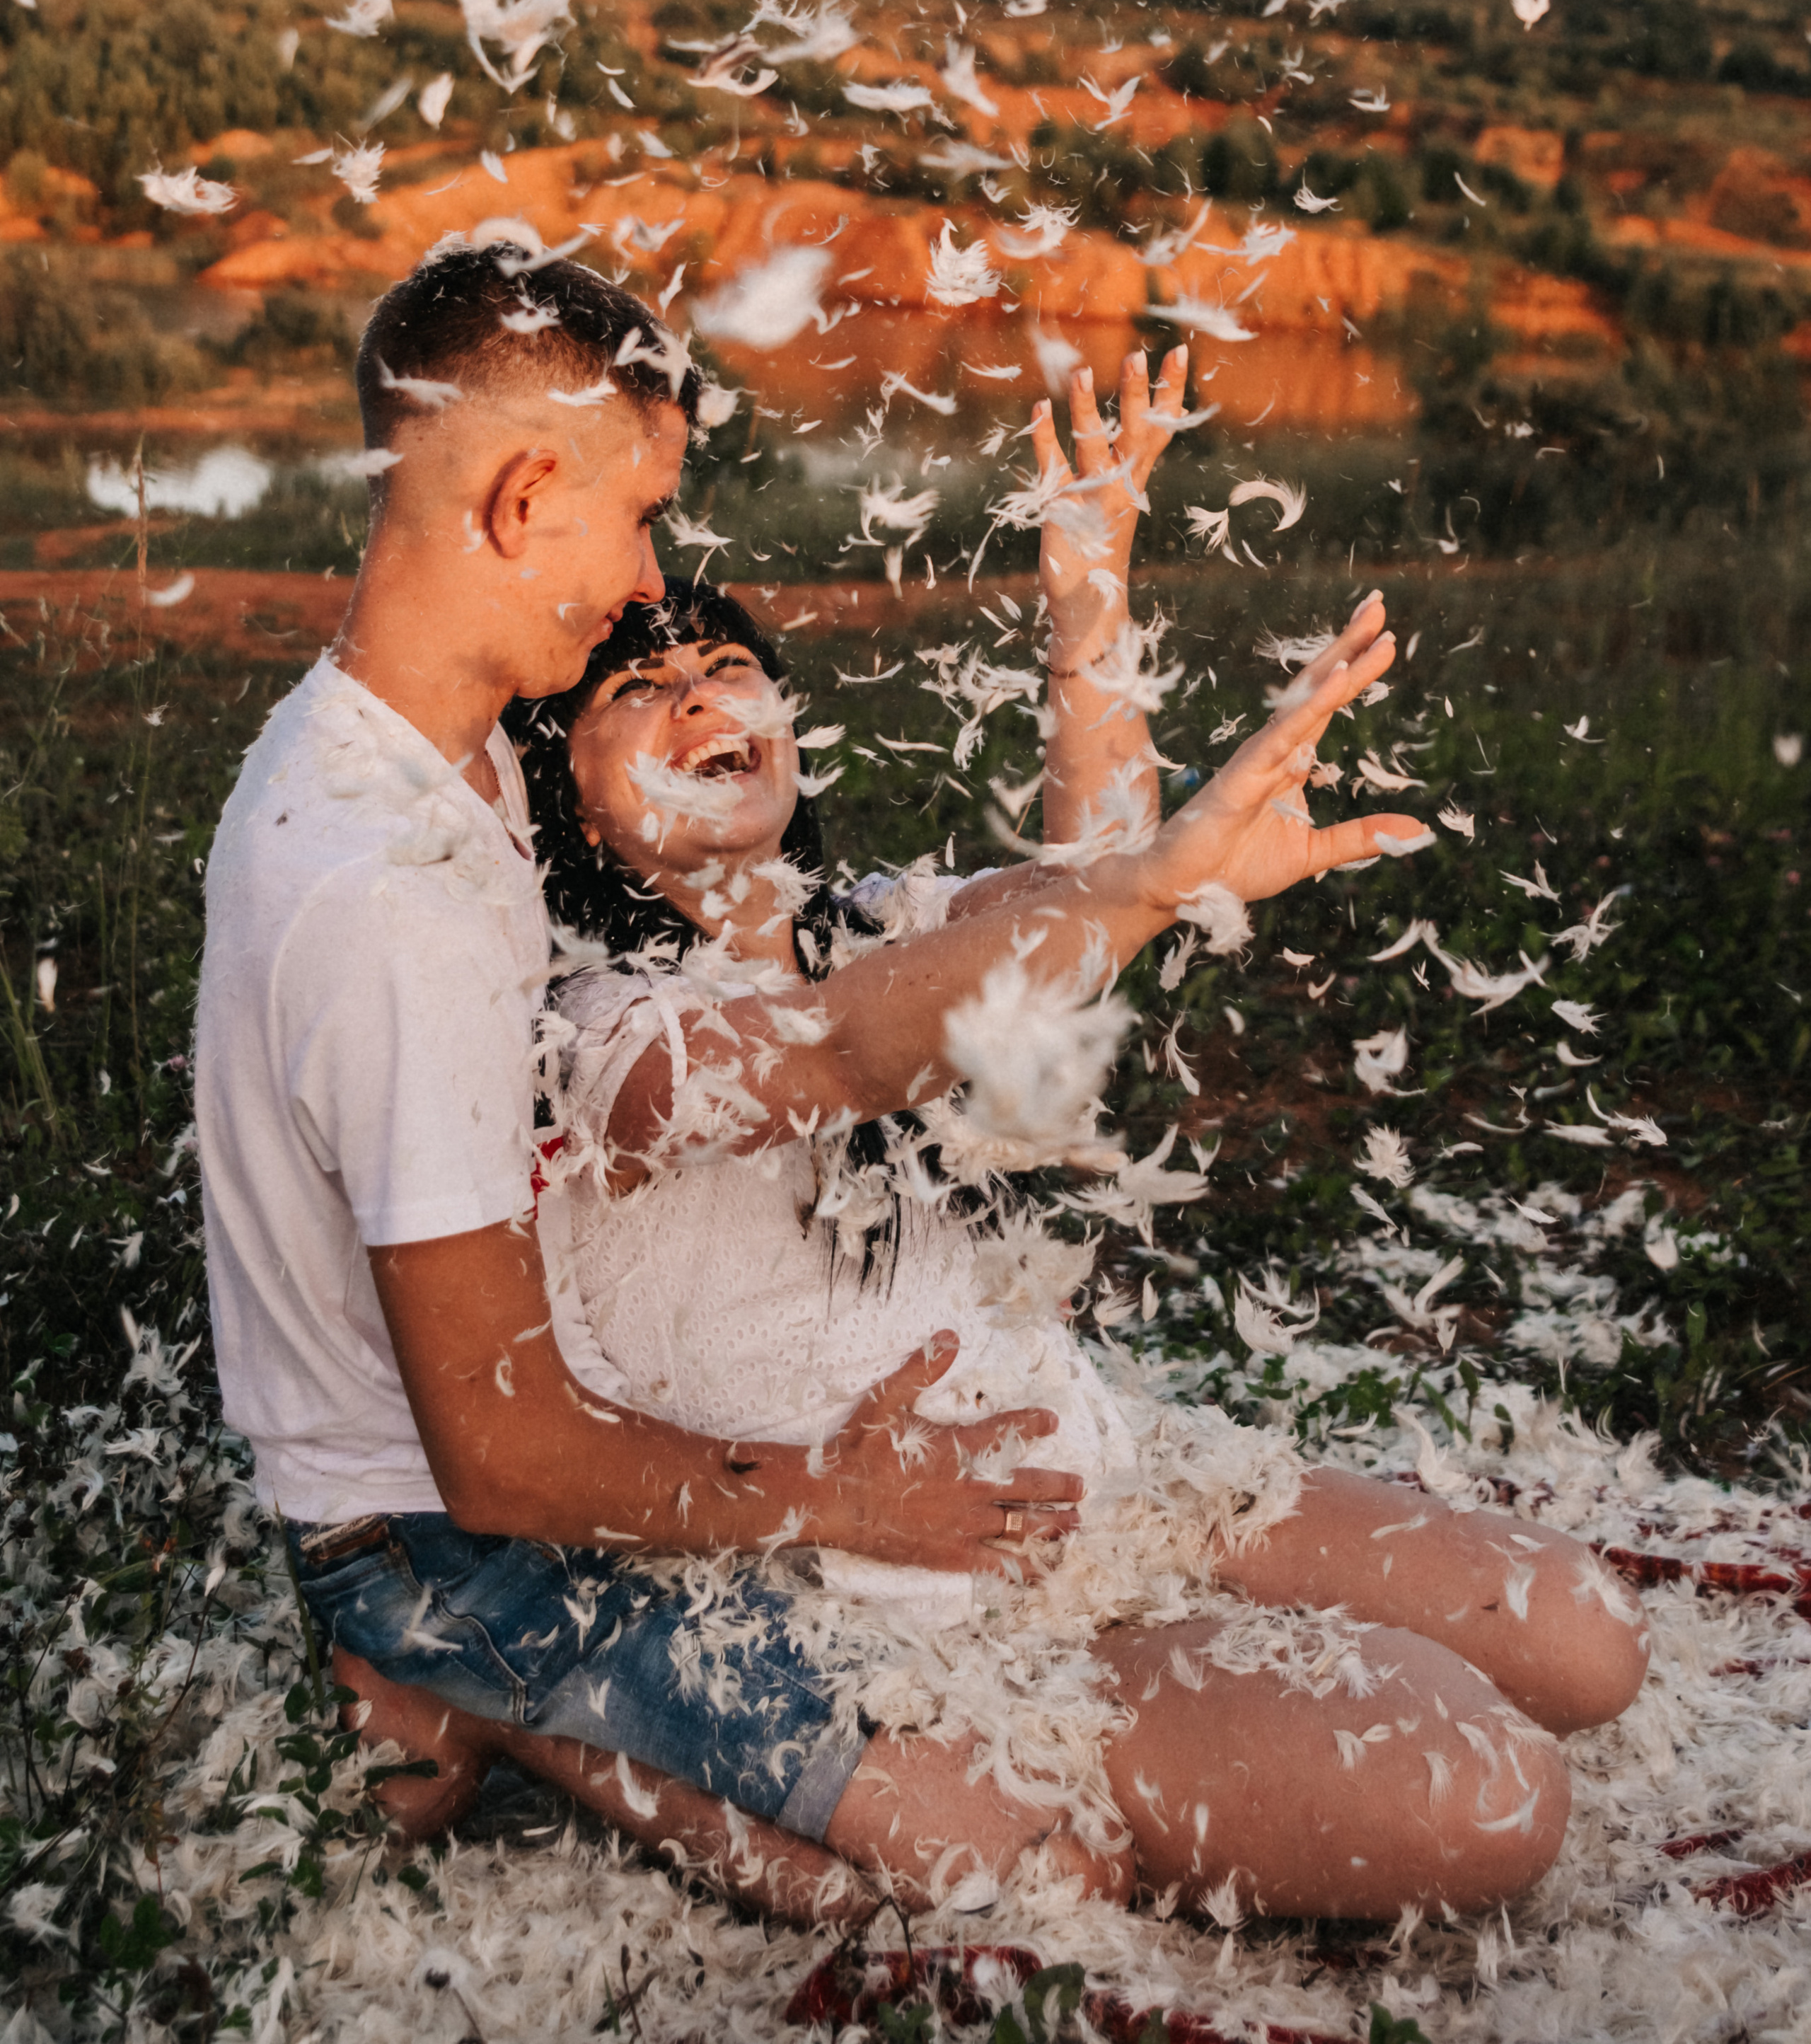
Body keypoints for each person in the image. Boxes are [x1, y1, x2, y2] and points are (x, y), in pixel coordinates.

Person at [191, 235, 1466, 1929]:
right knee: (1014, 1876)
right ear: (522, 500)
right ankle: (486, 1707)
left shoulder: (455, 737)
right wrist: (842, 1503)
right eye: (640, 513)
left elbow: (985, 949)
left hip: (544, 1443)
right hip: (447, 1531)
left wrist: (1110, 725)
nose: (648, 583)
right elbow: (501, 1454)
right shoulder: (387, 896)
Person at [497, 348, 1650, 1928]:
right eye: (639, 688)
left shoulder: (874, 919)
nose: (701, 693)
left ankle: (1219, 1654)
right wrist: (1150, 887)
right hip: (893, 1604)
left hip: (1101, 1482)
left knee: (1584, 1637)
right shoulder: (589, 1025)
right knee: (1487, 1794)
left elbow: (1081, 896)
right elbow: (856, 1042)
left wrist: (1088, 605)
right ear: (571, 803)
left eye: (725, 664)